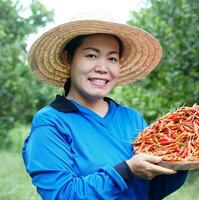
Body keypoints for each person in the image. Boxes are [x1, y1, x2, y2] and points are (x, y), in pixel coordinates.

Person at [22, 14, 188, 200]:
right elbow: (61, 194)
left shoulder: (132, 118)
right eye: (91, 55)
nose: (102, 67)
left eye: (112, 59)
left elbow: (149, 191)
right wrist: (127, 170)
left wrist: (184, 159)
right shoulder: (51, 123)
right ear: (69, 59)